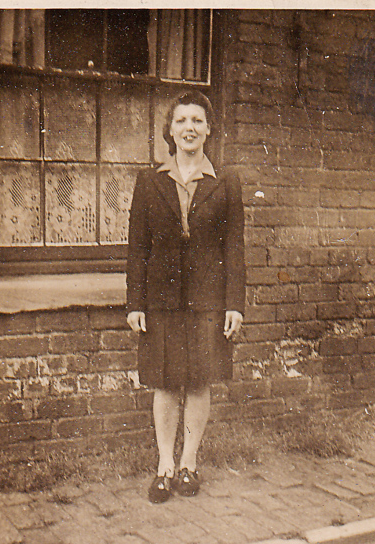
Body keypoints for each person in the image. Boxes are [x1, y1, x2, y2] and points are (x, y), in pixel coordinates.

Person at [126, 90, 245, 503]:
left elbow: (234, 248)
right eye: (181, 121)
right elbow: (137, 247)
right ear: (169, 131)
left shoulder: (226, 183)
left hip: (208, 301)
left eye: (197, 120)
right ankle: (164, 465)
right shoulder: (149, 181)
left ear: (208, 130)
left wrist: (234, 304)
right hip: (160, 301)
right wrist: (135, 303)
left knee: (197, 383)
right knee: (164, 383)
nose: (189, 128)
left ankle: (189, 463)